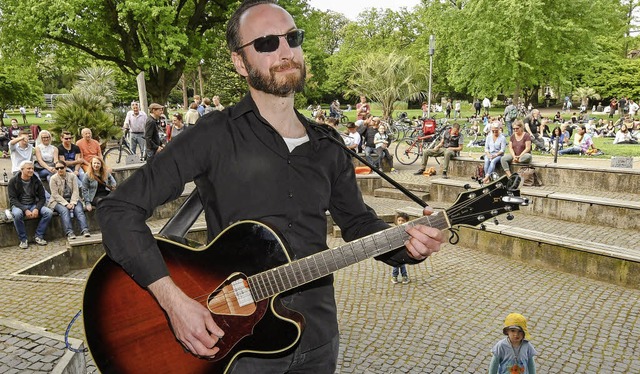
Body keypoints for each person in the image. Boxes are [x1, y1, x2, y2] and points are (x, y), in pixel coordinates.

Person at [97, 2, 444, 372]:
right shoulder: (213, 135)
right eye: (265, 43)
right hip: (237, 348)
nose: (285, 51)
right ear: (240, 63)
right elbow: (117, 211)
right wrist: (173, 301)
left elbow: (359, 225)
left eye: (292, 38)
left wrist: (408, 246)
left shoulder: (329, 145)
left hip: (318, 339)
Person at [8, 160, 53, 249]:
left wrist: (36, 208)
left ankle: (38, 236)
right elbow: (12, 199)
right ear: (22, 170)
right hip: (19, 205)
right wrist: (25, 209)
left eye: (32, 168)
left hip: (33, 204)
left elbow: (42, 198)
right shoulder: (13, 181)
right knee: (17, 214)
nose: (31, 170)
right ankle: (23, 239)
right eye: (28, 168)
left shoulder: (36, 181)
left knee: (48, 212)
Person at [47, 160, 91, 239]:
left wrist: (73, 202)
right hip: (58, 201)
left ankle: (85, 230)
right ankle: (69, 232)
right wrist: (66, 204)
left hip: (73, 199)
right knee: (64, 211)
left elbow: (75, 190)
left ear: (65, 167)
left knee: (79, 210)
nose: (59, 170)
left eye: (61, 167)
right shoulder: (53, 178)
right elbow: (55, 194)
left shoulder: (72, 176)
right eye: (57, 168)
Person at [391, 213, 410, 284]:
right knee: (396, 264)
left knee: (402, 264)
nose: (400, 222)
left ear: (406, 221)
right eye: (399, 220)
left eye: (403, 220)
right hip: (396, 250)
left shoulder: (407, 230)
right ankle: (395, 276)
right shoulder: (395, 230)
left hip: (403, 250)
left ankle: (404, 276)